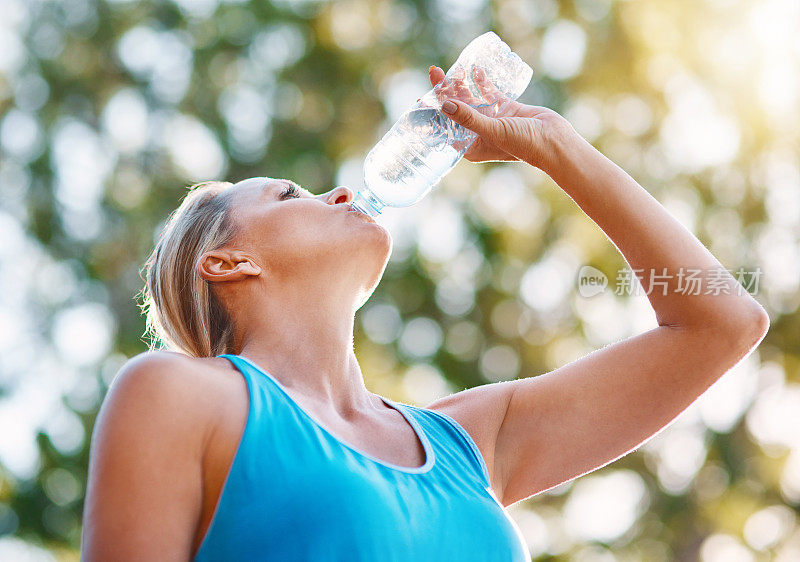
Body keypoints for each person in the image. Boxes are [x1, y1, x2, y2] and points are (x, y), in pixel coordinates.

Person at [81, 65, 769, 561]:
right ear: (229, 263)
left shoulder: (472, 443)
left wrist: (556, 147)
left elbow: (722, 322)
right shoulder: (177, 396)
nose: (342, 193)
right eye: (292, 195)